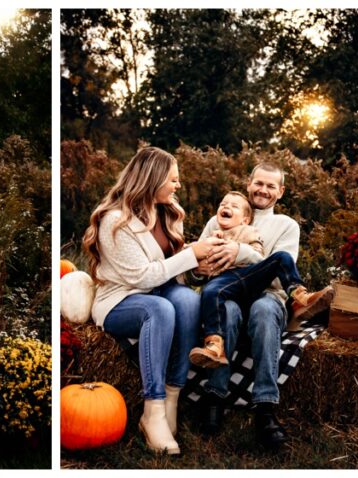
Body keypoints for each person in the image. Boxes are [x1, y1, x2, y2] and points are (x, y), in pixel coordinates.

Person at [82, 146, 223, 455]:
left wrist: (198, 266)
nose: (178, 186)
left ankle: (173, 396)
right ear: (153, 178)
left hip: (161, 290)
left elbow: (172, 270)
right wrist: (189, 256)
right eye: (173, 179)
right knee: (159, 309)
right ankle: (153, 409)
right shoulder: (114, 220)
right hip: (121, 300)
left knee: (187, 300)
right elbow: (141, 278)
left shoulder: (168, 211)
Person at [194, 163, 316, 450]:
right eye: (258, 183)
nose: (263, 189)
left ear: (281, 191)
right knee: (229, 309)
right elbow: (196, 266)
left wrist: (242, 252)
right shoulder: (219, 219)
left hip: (268, 295)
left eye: (271, 185)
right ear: (249, 183)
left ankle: (264, 407)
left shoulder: (286, 225)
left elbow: (277, 275)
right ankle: (215, 395)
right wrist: (199, 268)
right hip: (229, 294)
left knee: (264, 309)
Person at [188, 191, 334, 368]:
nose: (226, 207)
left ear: (244, 220)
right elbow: (194, 261)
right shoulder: (213, 229)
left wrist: (239, 250)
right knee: (211, 291)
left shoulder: (249, 231)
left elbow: (259, 255)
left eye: (234, 206)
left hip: (247, 276)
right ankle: (214, 344)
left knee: (282, 257)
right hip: (223, 281)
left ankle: (299, 296)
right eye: (223, 204)